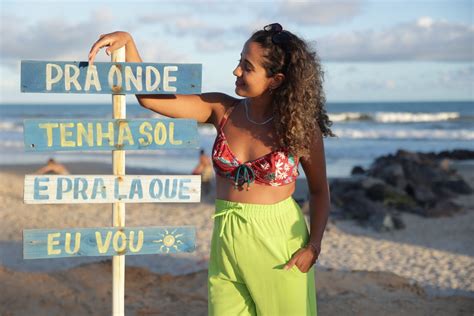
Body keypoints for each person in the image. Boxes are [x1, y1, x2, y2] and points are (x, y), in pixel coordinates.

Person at [89, 23, 334, 315]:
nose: (236, 72)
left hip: (279, 243)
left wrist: (314, 246)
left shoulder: (300, 129)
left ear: (276, 80)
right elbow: (151, 99)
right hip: (225, 237)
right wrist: (129, 44)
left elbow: (319, 191)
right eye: (239, 61)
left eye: (247, 66)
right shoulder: (222, 109)